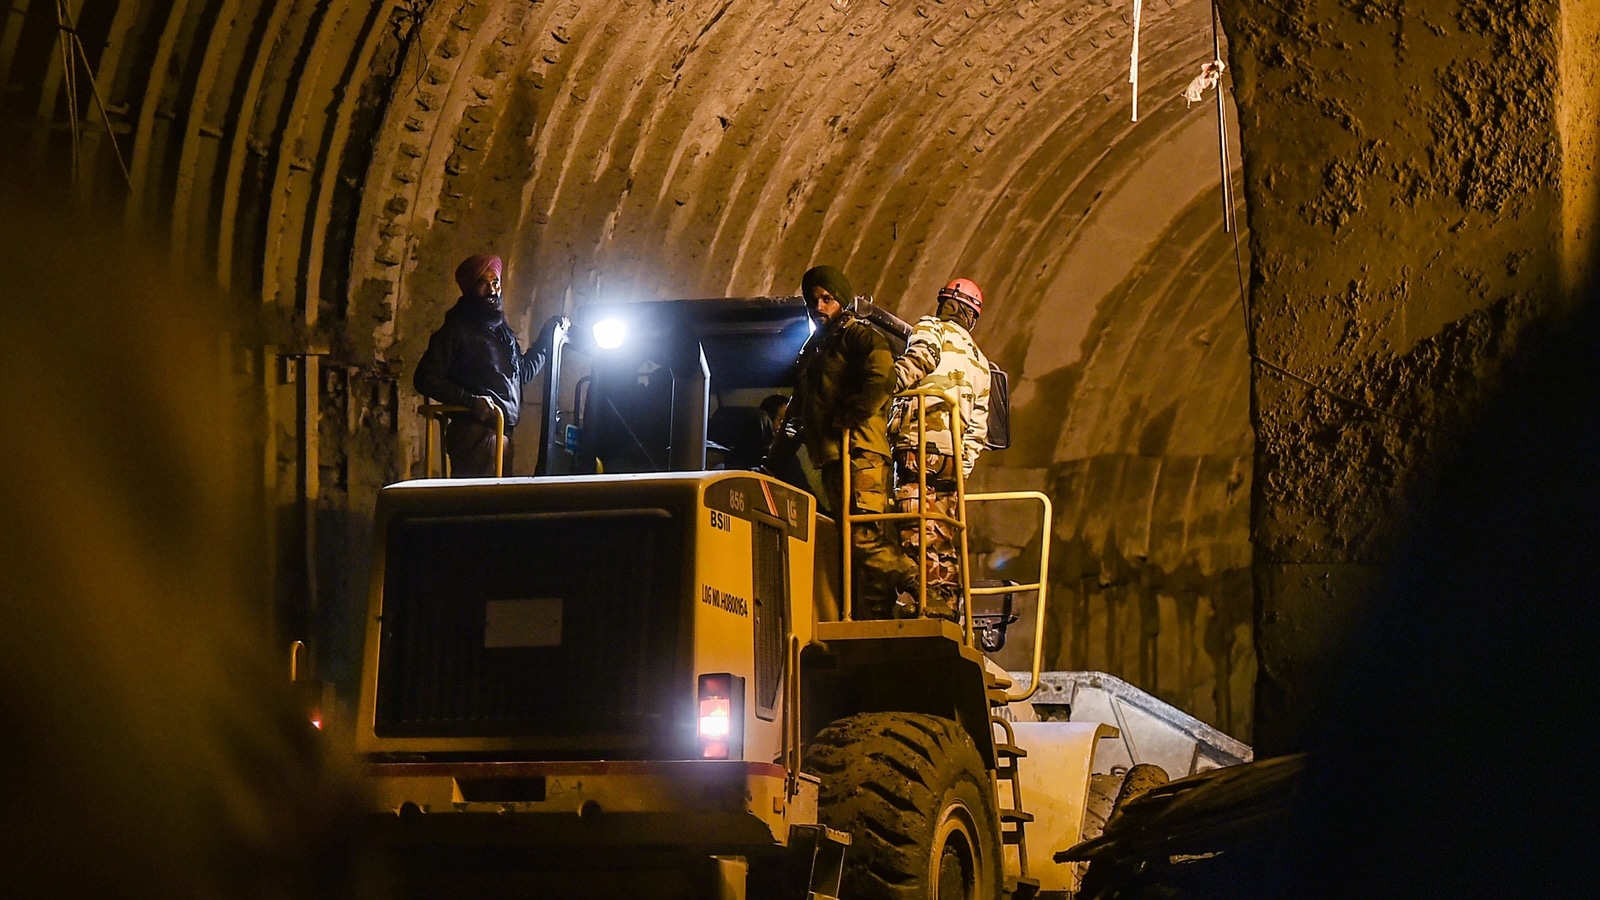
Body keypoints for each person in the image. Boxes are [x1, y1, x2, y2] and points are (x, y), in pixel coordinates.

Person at [763, 265, 918, 619]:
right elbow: (797, 415)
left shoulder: (859, 337)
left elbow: (882, 376)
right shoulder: (814, 351)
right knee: (852, 543)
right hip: (834, 457)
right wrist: (771, 464)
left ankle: (918, 583)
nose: (819, 307)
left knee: (863, 538)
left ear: (842, 300)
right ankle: (877, 616)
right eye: (813, 300)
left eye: (827, 299)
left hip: (861, 451)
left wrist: (853, 413)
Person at [889, 277, 992, 620]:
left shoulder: (932, 327)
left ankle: (919, 599)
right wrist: (961, 468)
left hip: (919, 445)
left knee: (913, 521)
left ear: (945, 303)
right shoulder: (981, 362)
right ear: (972, 317)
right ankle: (947, 606)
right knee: (945, 532)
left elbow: (921, 357)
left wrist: (884, 385)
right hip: (952, 458)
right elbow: (978, 429)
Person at [413, 254, 558, 476]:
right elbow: (425, 377)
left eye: (495, 282)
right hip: (475, 436)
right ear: (467, 289)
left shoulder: (501, 333)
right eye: (482, 283)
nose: (491, 291)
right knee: (478, 506)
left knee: (497, 507)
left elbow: (521, 375)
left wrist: (547, 338)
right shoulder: (456, 331)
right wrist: (471, 402)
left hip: (502, 434)